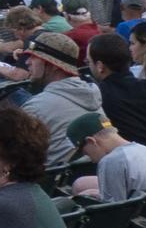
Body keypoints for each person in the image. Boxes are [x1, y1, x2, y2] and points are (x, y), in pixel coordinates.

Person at [20, 32, 102, 169]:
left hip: (51, 184)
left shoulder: (36, 107)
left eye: (34, 57)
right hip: (89, 176)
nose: (27, 62)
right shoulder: (94, 92)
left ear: (52, 65)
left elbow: (11, 159)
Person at [67, 112, 146, 202]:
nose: (89, 158)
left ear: (91, 141)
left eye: (85, 152)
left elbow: (114, 212)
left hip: (140, 223)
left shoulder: (111, 161)